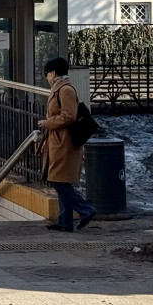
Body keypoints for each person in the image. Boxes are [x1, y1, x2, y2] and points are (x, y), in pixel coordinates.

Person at [38, 57, 96, 232]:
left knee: (58, 181)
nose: (46, 77)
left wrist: (47, 123)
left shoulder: (65, 90)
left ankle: (86, 209)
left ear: (53, 73)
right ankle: (65, 221)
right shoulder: (60, 89)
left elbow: (69, 115)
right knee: (60, 180)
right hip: (58, 141)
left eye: (47, 73)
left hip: (64, 142)